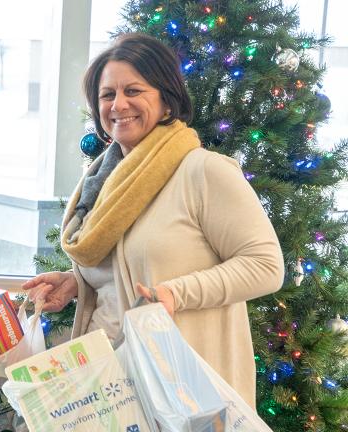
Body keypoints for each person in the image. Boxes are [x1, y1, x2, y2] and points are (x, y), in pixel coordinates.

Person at [22, 33, 284, 406]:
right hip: (111, 387)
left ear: (165, 102)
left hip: (183, 392)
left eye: (134, 91)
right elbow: (124, 269)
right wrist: (75, 281)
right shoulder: (102, 183)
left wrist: (175, 294)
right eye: (107, 94)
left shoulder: (203, 172)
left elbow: (266, 266)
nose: (118, 104)